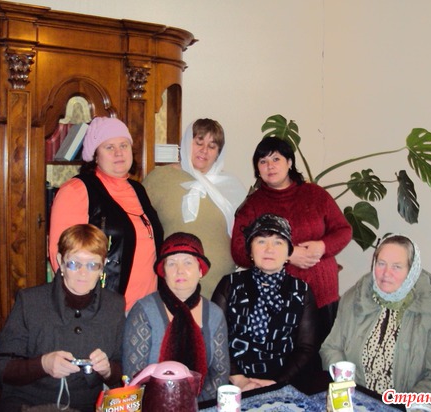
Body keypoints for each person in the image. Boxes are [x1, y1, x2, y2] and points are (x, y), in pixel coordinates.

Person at [0, 224, 125, 412]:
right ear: (60, 261)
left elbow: (122, 371)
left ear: (103, 266)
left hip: (87, 406)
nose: (83, 273)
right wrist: (42, 365)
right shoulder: (30, 301)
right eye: (74, 264)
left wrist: (108, 370)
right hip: (28, 403)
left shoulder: (114, 305)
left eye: (93, 265)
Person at [231, 136, 352, 344]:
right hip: (277, 299)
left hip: (323, 295)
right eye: (263, 161)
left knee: (324, 356)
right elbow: (239, 251)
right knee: (287, 358)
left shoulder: (315, 194)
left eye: (276, 159)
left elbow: (344, 230)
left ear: (289, 162)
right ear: (257, 169)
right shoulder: (253, 205)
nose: (270, 166)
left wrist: (322, 246)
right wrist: (287, 254)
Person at [320, 234, 431, 409]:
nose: (386, 273)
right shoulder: (354, 298)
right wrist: (344, 381)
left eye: (397, 267)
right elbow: (331, 347)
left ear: (412, 271)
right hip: (357, 401)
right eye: (381, 264)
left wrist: (410, 407)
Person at [49, 117, 164, 312]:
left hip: (147, 308)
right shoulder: (76, 191)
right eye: (109, 147)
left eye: (124, 145)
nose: (119, 152)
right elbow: (59, 257)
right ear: (95, 155)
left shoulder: (138, 189)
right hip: (104, 309)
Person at [212, 213, 318, 392]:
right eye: (261, 241)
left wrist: (277, 383)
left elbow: (306, 347)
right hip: (231, 381)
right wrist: (239, 380)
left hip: (283, 383)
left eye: (278, 242)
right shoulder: (229, 284)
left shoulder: (302, 291)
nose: (269, 249)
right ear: (250, 250)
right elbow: (214, 336)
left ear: (288, 252)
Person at [143, 118, 246, 299]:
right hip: (174, 282)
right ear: (185, 143)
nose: (204, 150)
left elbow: (244, 235)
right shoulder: (159, 178)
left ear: (218, 153)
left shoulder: (232, 187)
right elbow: (142, 230)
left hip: (221, 288)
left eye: (212, 146)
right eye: (199, 142)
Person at [122, 232, 230, 401]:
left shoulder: (214, 314)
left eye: (188, 262)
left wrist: (193, 405)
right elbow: (133, 376)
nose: (180, 270)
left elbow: (220, 372)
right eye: (171, 263)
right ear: (163, 272)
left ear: (200, 270)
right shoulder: (143, 311)